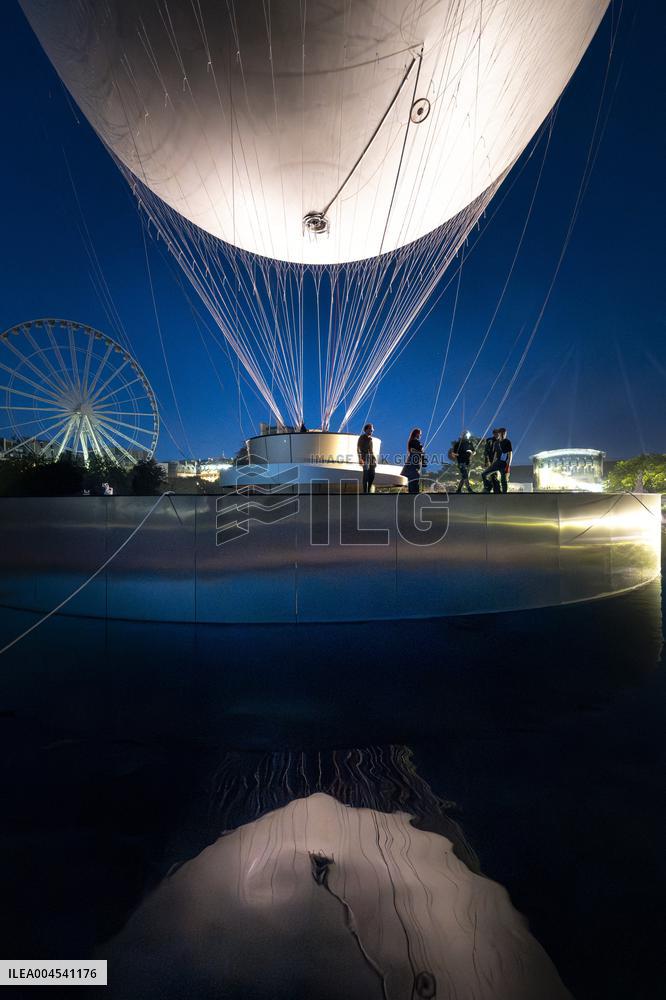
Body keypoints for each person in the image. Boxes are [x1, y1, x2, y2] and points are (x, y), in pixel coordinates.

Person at [482, 427, 512, 494]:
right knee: (484, 474)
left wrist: (508, 464)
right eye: (502, 433)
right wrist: (492, 463)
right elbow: (495, 453)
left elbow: (510, 453)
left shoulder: (507, 442)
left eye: (504, 433)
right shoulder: (495, 442)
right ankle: (489, 486)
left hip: (503, 463)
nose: (503, 435)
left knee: (503, 480)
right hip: (496, 462)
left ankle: (504, 493)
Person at [403, 427, 426, 494]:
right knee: (414, 482)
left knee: (412, 482)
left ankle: (411, 497)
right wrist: (421, 452)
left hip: (411, 465)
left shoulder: (411, 441)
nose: (420, 436)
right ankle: (414, 497)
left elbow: (414, 451)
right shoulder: (415, 442)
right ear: (416, 434)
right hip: (414, 465)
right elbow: (417, 451)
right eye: (420, 434)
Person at [357, 423, 377, 494]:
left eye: (372, 429)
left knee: (372, 474)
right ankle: (365, 491)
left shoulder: (370, 439)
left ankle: (369, 489)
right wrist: (360, 458)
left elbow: (371, 450)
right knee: (366, 474)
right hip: (364, 457)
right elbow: (358, 448)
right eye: (371, 429)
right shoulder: (362, 437)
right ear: (366, 429)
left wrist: (374, 459)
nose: (372, 431)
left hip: (371, 458)